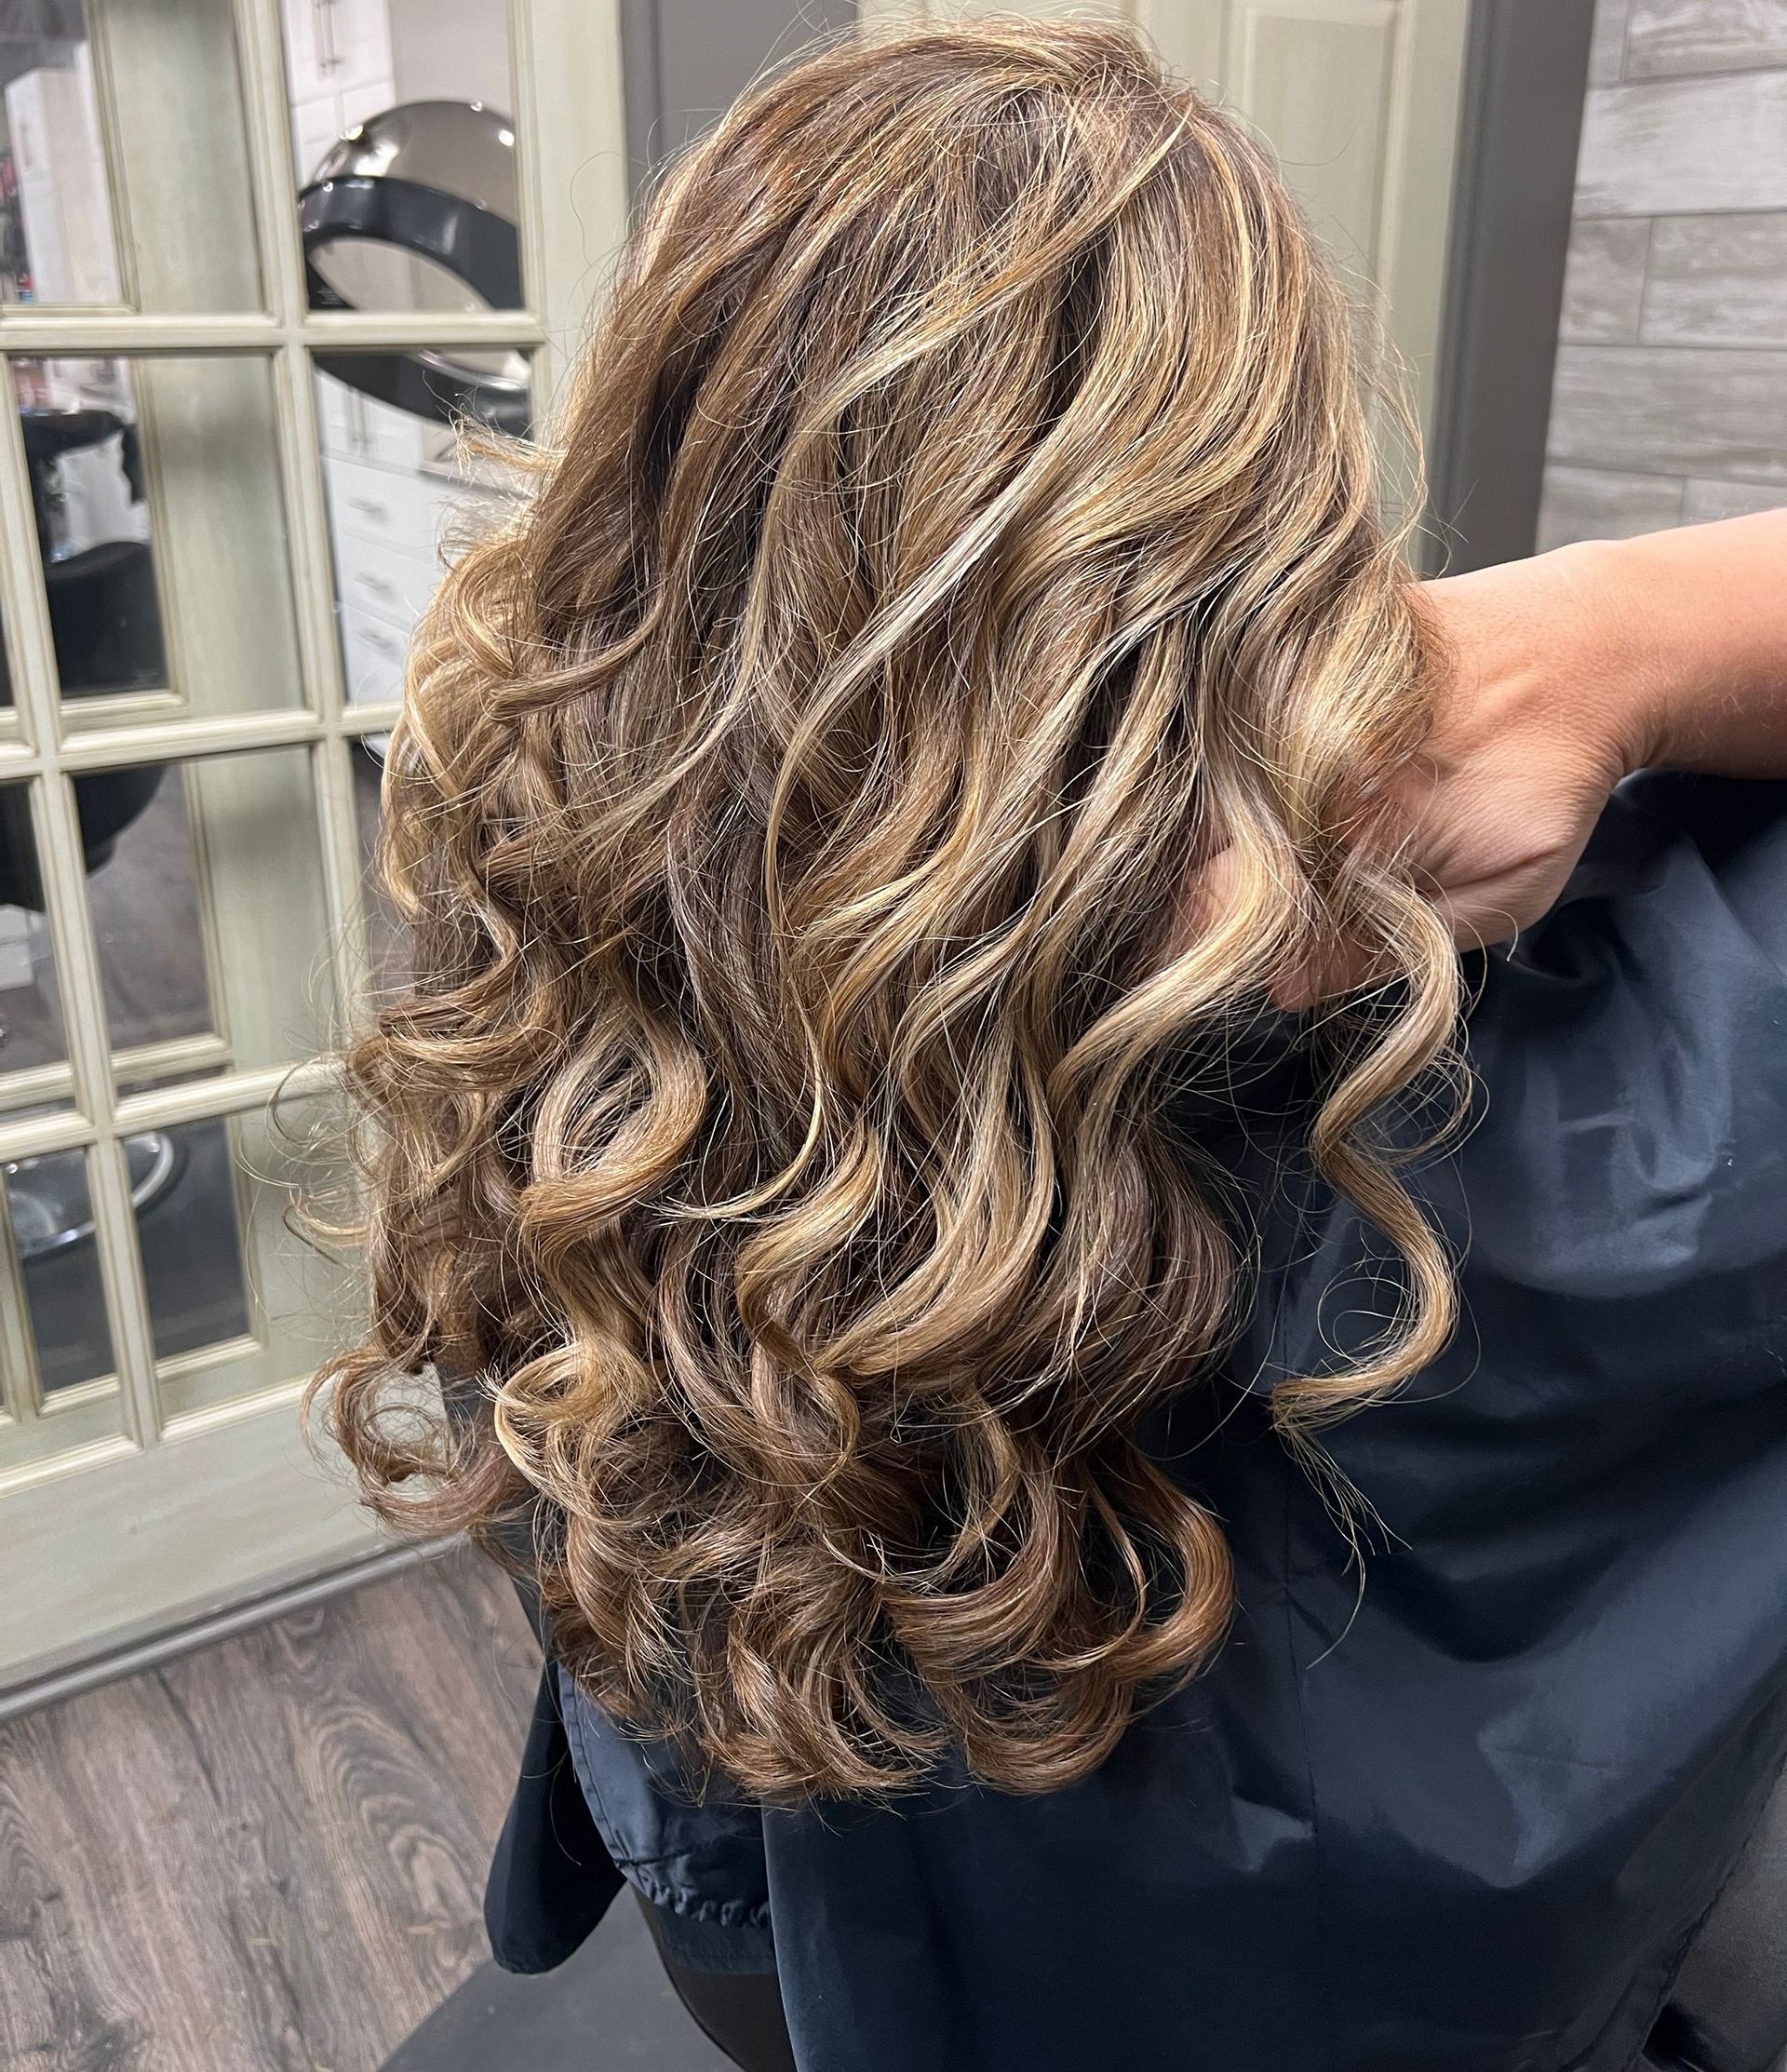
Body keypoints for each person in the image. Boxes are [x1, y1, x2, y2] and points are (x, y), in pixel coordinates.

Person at [309, 20, 1787, 2072]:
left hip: (779, 1972)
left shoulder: (574, 898)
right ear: (1293, 523)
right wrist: (1616, 631)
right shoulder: (1692, 1046)